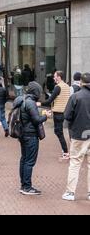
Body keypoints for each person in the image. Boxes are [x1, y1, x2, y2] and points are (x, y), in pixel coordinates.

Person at [13, 81, 50, 196]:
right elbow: (36, 120)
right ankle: (27, 187)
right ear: (36, 92)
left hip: (22, 134)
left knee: (24, 159)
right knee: (29, 161)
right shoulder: (30, 103)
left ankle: (23, 185)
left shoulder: (22, 100)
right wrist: (46, 116)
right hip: (31, 135)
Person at [62, 73, 90, 202]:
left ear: (81, 82)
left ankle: (70, 192)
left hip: (79, 134)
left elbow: (67, 116)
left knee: (75, 162)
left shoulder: (75, 97)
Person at [42, 71, 70, 160]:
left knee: (59, 132)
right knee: (58, 132)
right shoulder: (67, 86)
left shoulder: (58, 87)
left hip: (58, 113)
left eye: (55, 76)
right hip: (63, 112)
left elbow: (49, 101)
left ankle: (65, 152)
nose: (53, 78)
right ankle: (65, 150)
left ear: (59, 77)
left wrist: (39, 103)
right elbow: (60, 99)